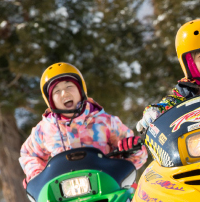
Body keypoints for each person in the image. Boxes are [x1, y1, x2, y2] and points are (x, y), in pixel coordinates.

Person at [20, 62, 148, 184]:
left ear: (81, 90)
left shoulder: (105, 121)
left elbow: (136, 154)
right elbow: (29, 154)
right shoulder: (45, 130)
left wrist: (132, 150)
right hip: (65, 195)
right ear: (50, 100)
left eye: (69, 86)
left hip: (107, 185)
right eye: (57, 91)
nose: (64, 93)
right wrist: (36, 176)